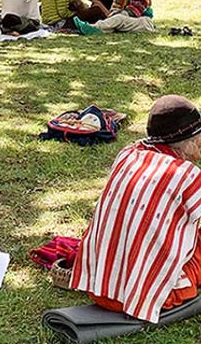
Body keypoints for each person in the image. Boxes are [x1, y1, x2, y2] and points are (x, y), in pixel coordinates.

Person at [71, 95, 201, 323]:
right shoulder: (187, 176)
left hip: (98, 285)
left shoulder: (128, 152)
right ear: (191, 142)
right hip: (142, 297)